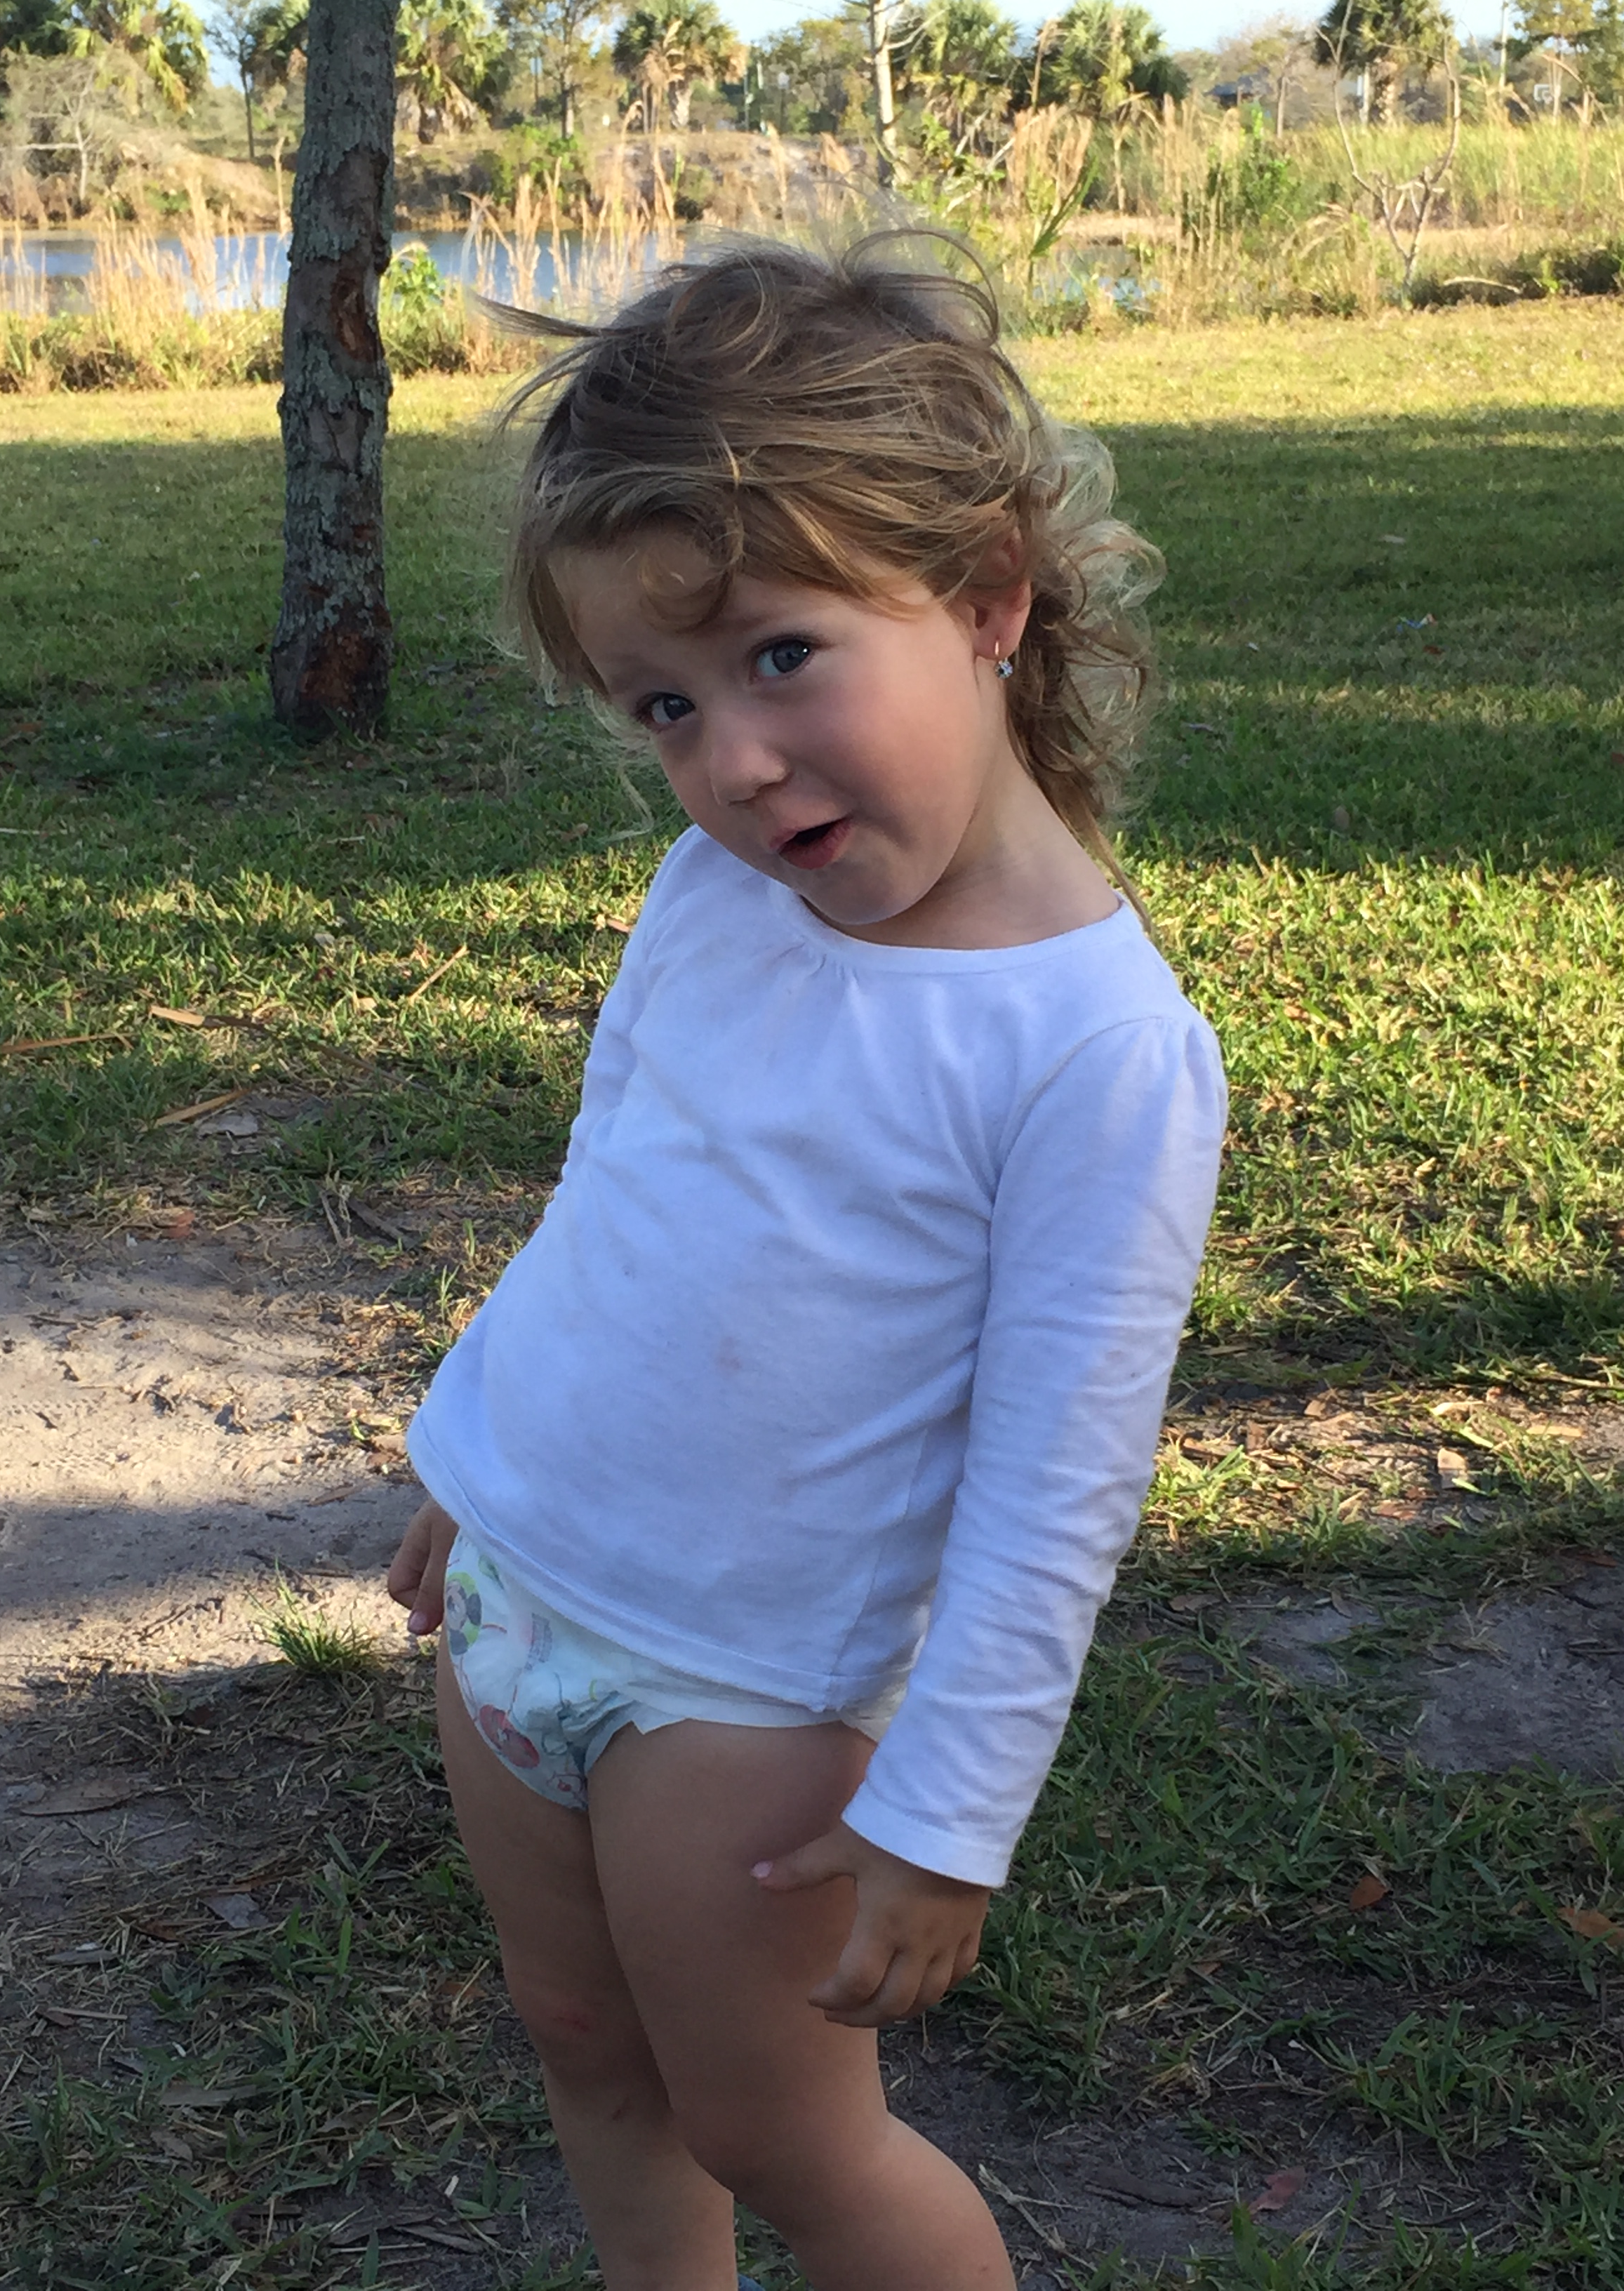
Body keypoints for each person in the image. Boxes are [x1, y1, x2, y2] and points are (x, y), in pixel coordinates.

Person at [387, 233, 1227, 2291]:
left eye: (782, 657)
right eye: (667, 706)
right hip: (517, 1596)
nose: (734, 765)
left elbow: (1056, 1488)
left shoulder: (1095, 1051)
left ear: (987, 598)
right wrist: (475, 1449)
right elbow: (618, 1179)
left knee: (781, 2131)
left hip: (743, 1693)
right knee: (583, 2044)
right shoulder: (716, 893)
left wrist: (950, 1812)